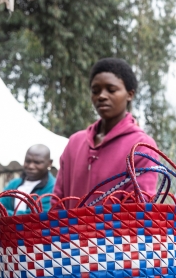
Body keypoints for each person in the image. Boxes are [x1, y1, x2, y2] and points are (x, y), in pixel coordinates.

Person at [53, 58, 158, 207]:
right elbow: (58, 201)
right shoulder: (75, 142)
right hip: (67, 231)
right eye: (95, 91)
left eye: (111, 90)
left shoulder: (142, 146)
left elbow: (137, 209)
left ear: (130, 94)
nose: (101, 96)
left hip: (115, 231)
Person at [0, 144, 57, 214]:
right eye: (27, 161)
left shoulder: (53, 186)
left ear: (49, 163)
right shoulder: (13, 184)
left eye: (37, 162)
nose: (31, 166)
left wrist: (5, 214)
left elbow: (40, 214)